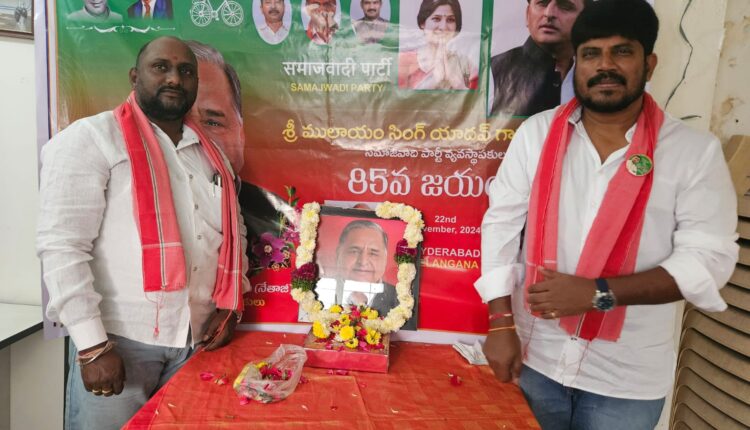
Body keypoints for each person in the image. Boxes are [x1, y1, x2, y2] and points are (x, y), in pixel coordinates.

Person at [474, 1, 738, 429]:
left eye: (622, 52)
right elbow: (501, 224)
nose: (605, 66)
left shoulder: (692, 153)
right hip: (535, 357)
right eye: (591, 53)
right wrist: (501, 324)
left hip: (625, 379)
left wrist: (599, 293)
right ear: (576, 63)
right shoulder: (536, 134)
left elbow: (708, 261)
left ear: (649, 64)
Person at [37, 36, 249, 430]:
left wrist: (229, 306)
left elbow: (234, 235)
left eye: (186, 71)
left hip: (195, 344)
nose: (174, 79)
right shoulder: (92, 138)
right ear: (135, 77)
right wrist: (92, 345)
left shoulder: (210, 155)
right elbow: (62, 246)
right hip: (119, 343)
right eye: (161, 67)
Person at [185, 40, 296, 269]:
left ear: (240, 134)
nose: (194, 137)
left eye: (212, 122)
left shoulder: (281, 225)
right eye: (176, 121)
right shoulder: (118, 209)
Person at [490, 0, 589, 117]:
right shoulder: (490, 72)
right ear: (527, 14)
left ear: (585, 19)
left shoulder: (596, 76)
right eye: (542, 3)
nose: (549, 13)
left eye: (565, 6)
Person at [398, 0, 478, 90]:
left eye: (450, 20)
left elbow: (478, 98)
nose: (443, 27)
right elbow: (396, 98)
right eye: (436, 19)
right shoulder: (404, 61)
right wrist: (434, 79)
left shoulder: (466, 64)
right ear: (422, 23)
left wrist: (455, 81)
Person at [333, 220, 396, 315]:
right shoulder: (317, 291)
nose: (363, 262)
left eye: (373, 253)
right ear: (338, 254)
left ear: (385, 258)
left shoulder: (402, 300)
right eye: (354, 251)